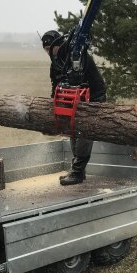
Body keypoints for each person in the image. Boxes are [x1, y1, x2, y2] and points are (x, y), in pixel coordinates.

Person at [41, 30, 107, 186]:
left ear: (59, 44)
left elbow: (96, 84)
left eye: (51, 48)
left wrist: (94, 104)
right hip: (73, 102)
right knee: (72, 131)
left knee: (83, 131)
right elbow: (55, 85)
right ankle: (78, 171)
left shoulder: (78, 57)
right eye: (45, 49)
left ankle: (77, 173)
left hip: (93, 99)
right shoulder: (55, 63)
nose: (48, 52)